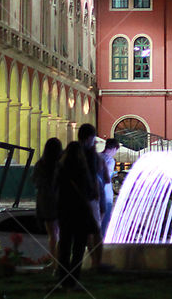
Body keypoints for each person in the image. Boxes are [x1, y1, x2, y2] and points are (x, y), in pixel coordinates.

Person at [56, 141, 99, 289]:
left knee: (65, 245)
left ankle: (63, 279)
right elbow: (90, 192)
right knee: (79, 247)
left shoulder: (60, 169)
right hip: (80, 212)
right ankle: (73, 279)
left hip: (64, 211)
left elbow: (55, 189)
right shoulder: (82, 169)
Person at [77, 124, 108, 269]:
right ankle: (97, 262)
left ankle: (90, 262)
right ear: (90, 137)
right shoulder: (91, 155)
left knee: (85, 232)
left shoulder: (73, 151)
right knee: (96, 231)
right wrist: (96, 195)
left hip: (76, 199)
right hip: (90, 198)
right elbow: (97, 178)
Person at [33, 137, 63, 266]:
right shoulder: (61, 163)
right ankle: (63, 260)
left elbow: (35, 182)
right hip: (61, 201)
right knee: (62, 234)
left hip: (46, 202)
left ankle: (55, 261)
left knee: (52, 235)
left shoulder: (41, 164)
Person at [99, 138, 121, 237]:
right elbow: (107, 177)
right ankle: (102, 245)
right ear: (114, 148)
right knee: (105, 221)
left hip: (95, 193)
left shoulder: (96, 156)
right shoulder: (110, 160)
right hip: (106, 194)